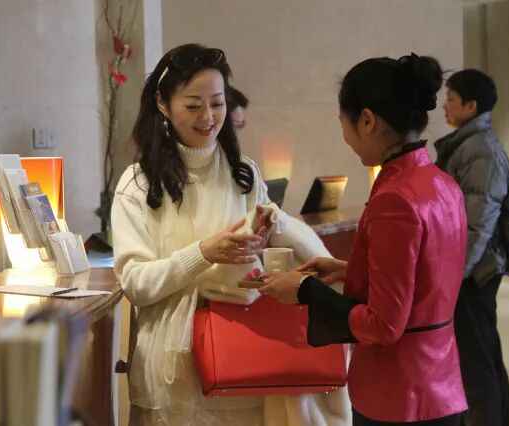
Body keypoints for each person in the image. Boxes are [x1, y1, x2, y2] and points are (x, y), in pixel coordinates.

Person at [111, 43, 350, 425]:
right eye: (193, 105)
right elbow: (136, 284)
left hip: (245, 363)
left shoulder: (244, 175)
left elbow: (268, 268)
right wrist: (204, 253)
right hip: (172, 377)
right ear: (162, 103)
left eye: (217, 103)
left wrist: (269, 240)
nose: (208, 117)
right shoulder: (139, 185)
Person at [259, 54, 469, 425]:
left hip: (398, 394)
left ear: (368, 121)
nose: (346, 138)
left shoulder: (395, 198)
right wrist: (349, 269)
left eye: (344, 124)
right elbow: (425, 278)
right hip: (441, 383)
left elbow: (383, 325)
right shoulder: (442, 183)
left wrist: (305, 290)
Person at [435, 69, 509, 426]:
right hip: (476, 267)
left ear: (471, 106)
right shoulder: (471, 144)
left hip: (475, 270)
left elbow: (477, 222)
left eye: (451, 99)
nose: (445, 106)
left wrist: (455, 275)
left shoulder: (479, 148)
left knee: (477, 362)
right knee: (483, 356)